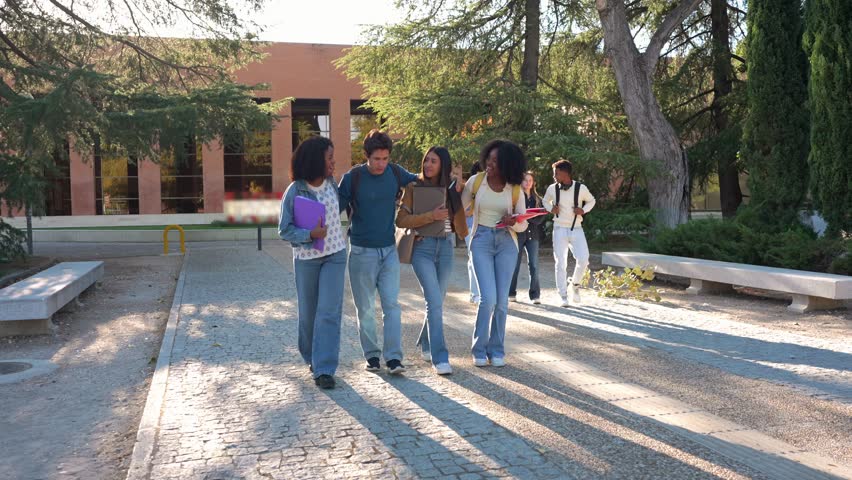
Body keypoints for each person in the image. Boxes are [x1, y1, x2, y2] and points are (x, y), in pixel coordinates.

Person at [338, 130, 418, 375]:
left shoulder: (395, 173)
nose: (381, 164)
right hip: (361, 252)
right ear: (366, 156)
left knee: (392, 306)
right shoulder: (353, 177)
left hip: (389, 252)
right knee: (365, 308)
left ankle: (394, 358)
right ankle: (372, 356)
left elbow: (422, 181)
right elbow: (333, 209)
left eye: (385, 158)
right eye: (376, 159)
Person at [278, 136, 347, 389]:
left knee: (329, 312)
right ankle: (311, 357)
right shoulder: (296, 190)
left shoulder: (331, 184)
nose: (333, 162)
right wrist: (309, 235)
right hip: (307, 259)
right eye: (329, 158)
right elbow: (284, 230)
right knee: (309, 314)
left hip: (336, 255)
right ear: (316, 160)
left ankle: (325, 369)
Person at [396, 147, 467, 376]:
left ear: (442, 165)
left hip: (445, 247)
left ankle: (426, 344)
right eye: (426, 160)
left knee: (437, 301)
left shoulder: (452, 188)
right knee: (433, 302)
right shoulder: (413, 187)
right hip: (422, 248)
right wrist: (430, 217)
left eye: (433, 161)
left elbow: (461, 221)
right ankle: (440, 356)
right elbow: (401, 219)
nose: (427, 165)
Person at [462, 139, 528, 367]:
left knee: (502, 302)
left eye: (496, 162)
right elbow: (459, 210)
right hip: (480, 240)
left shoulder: (516, 189)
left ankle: (497, 350)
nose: (490, 164)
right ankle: (479, 349)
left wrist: (513, 222)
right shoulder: (476, 181)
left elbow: (523, 224)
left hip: (506, 243)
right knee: (487, 298)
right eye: (488, 159)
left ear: (508, 165)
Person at [542, 159, 596, 307]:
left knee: (584, 259)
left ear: (566, 173)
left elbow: (592, 201)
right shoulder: (552, 188)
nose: (554, 176)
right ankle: (563, 295)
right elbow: (545, 201)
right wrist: (551, 209)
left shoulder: (581, 188)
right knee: (560, 263)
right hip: (559, 228)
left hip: (577, 228)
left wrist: (583, 210)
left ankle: (575, 284)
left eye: (556, 173)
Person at [509, 171, 544, 304]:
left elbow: (541, 216)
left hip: (533, 235)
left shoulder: (537, 198)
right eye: (525, 180)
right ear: (521, 182)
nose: (528, 182)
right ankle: (511, 293)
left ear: (533, 182)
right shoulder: (516, 196)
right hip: (518, 234)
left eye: (530, 180)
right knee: (515, 264)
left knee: (534, 265)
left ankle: (535, 295)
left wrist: (529, 219)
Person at [465, 162, 483, 304]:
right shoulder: (471, 187)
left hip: (484, 226)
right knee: (473, 259)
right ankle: (474, 293)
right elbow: (465, 210)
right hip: (470, 226)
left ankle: (481, 294)